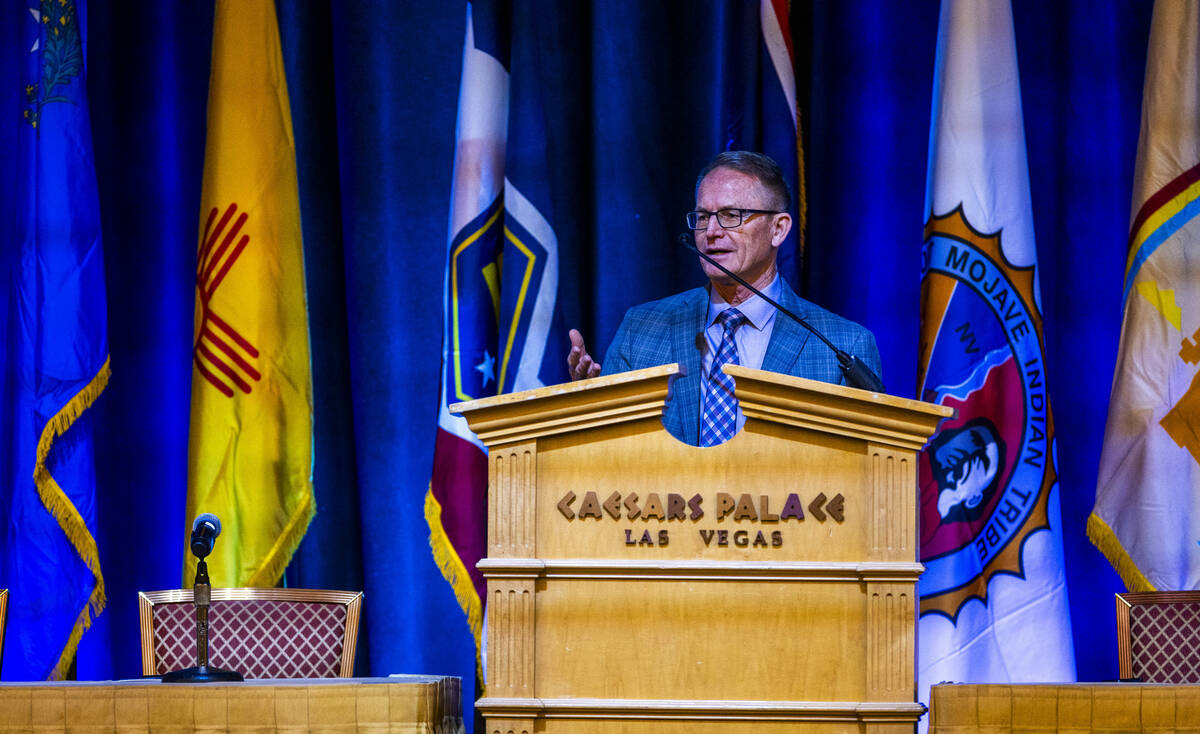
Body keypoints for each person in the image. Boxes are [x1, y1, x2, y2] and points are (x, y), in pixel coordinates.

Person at [567, 150, 881, 446]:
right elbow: (609, 458)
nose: (712, 232)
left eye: (731, 215)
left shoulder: (842, 346)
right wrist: (591, 406)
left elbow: (860, 474)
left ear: (778, 229)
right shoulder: (643, 329)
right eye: (703, 217)